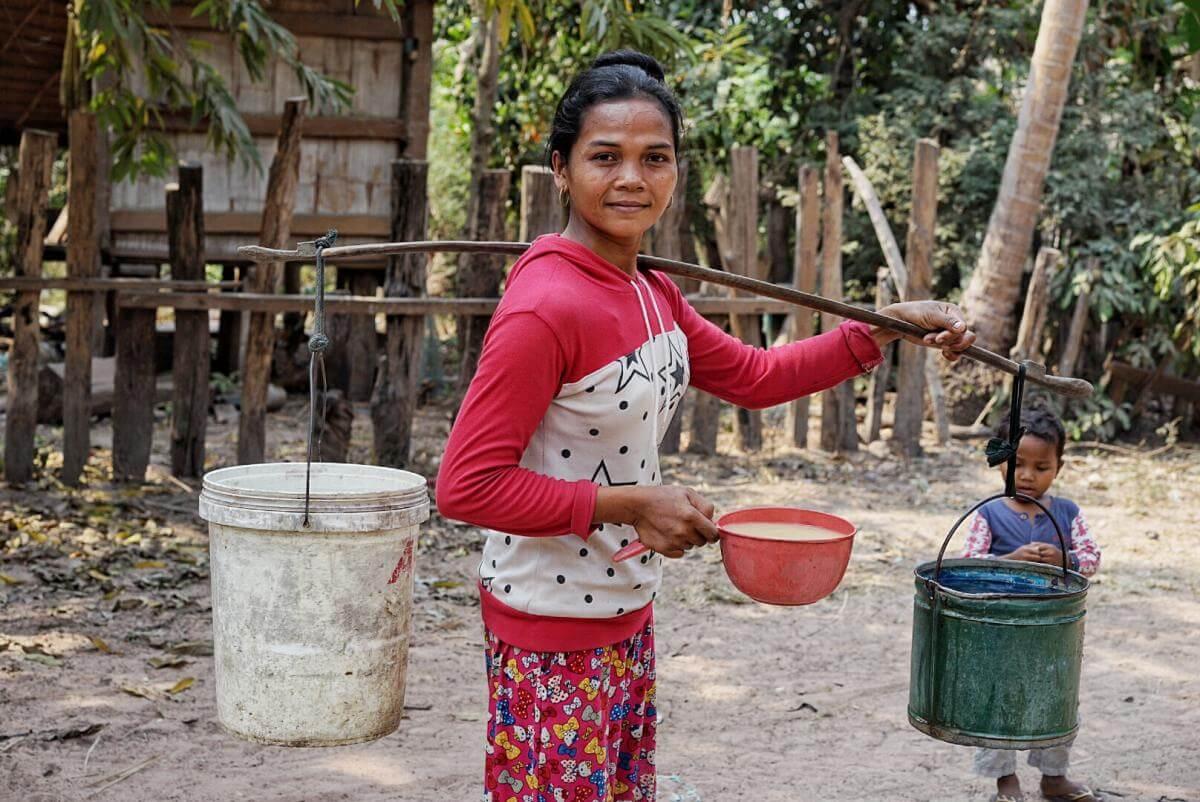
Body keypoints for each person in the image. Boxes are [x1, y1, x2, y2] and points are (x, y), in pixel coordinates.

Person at [436, 49, 976, 802]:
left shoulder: (650, 289)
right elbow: (466, 487)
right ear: (560, 168)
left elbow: (757, 377)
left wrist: (885, 325)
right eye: (605, 156)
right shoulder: (545, 306)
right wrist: (633, 504)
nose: (632, 178)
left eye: (654, 158)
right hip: (549, 626)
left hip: (621, 604)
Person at [962, 407, 1102, 802]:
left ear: (1059, 467)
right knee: (997, 701)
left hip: (1053, 633)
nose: (1027, 475)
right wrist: (1009, 560)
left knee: (1057, 699)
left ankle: (1053, 778)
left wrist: (1064, 558)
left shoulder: (1067, 513)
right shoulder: (988, 513)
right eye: (1017, 464)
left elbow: (1091, 559)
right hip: (999, 632)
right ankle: (1005, 780)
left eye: (1041, 467)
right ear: (999, 460)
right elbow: (968, 565)